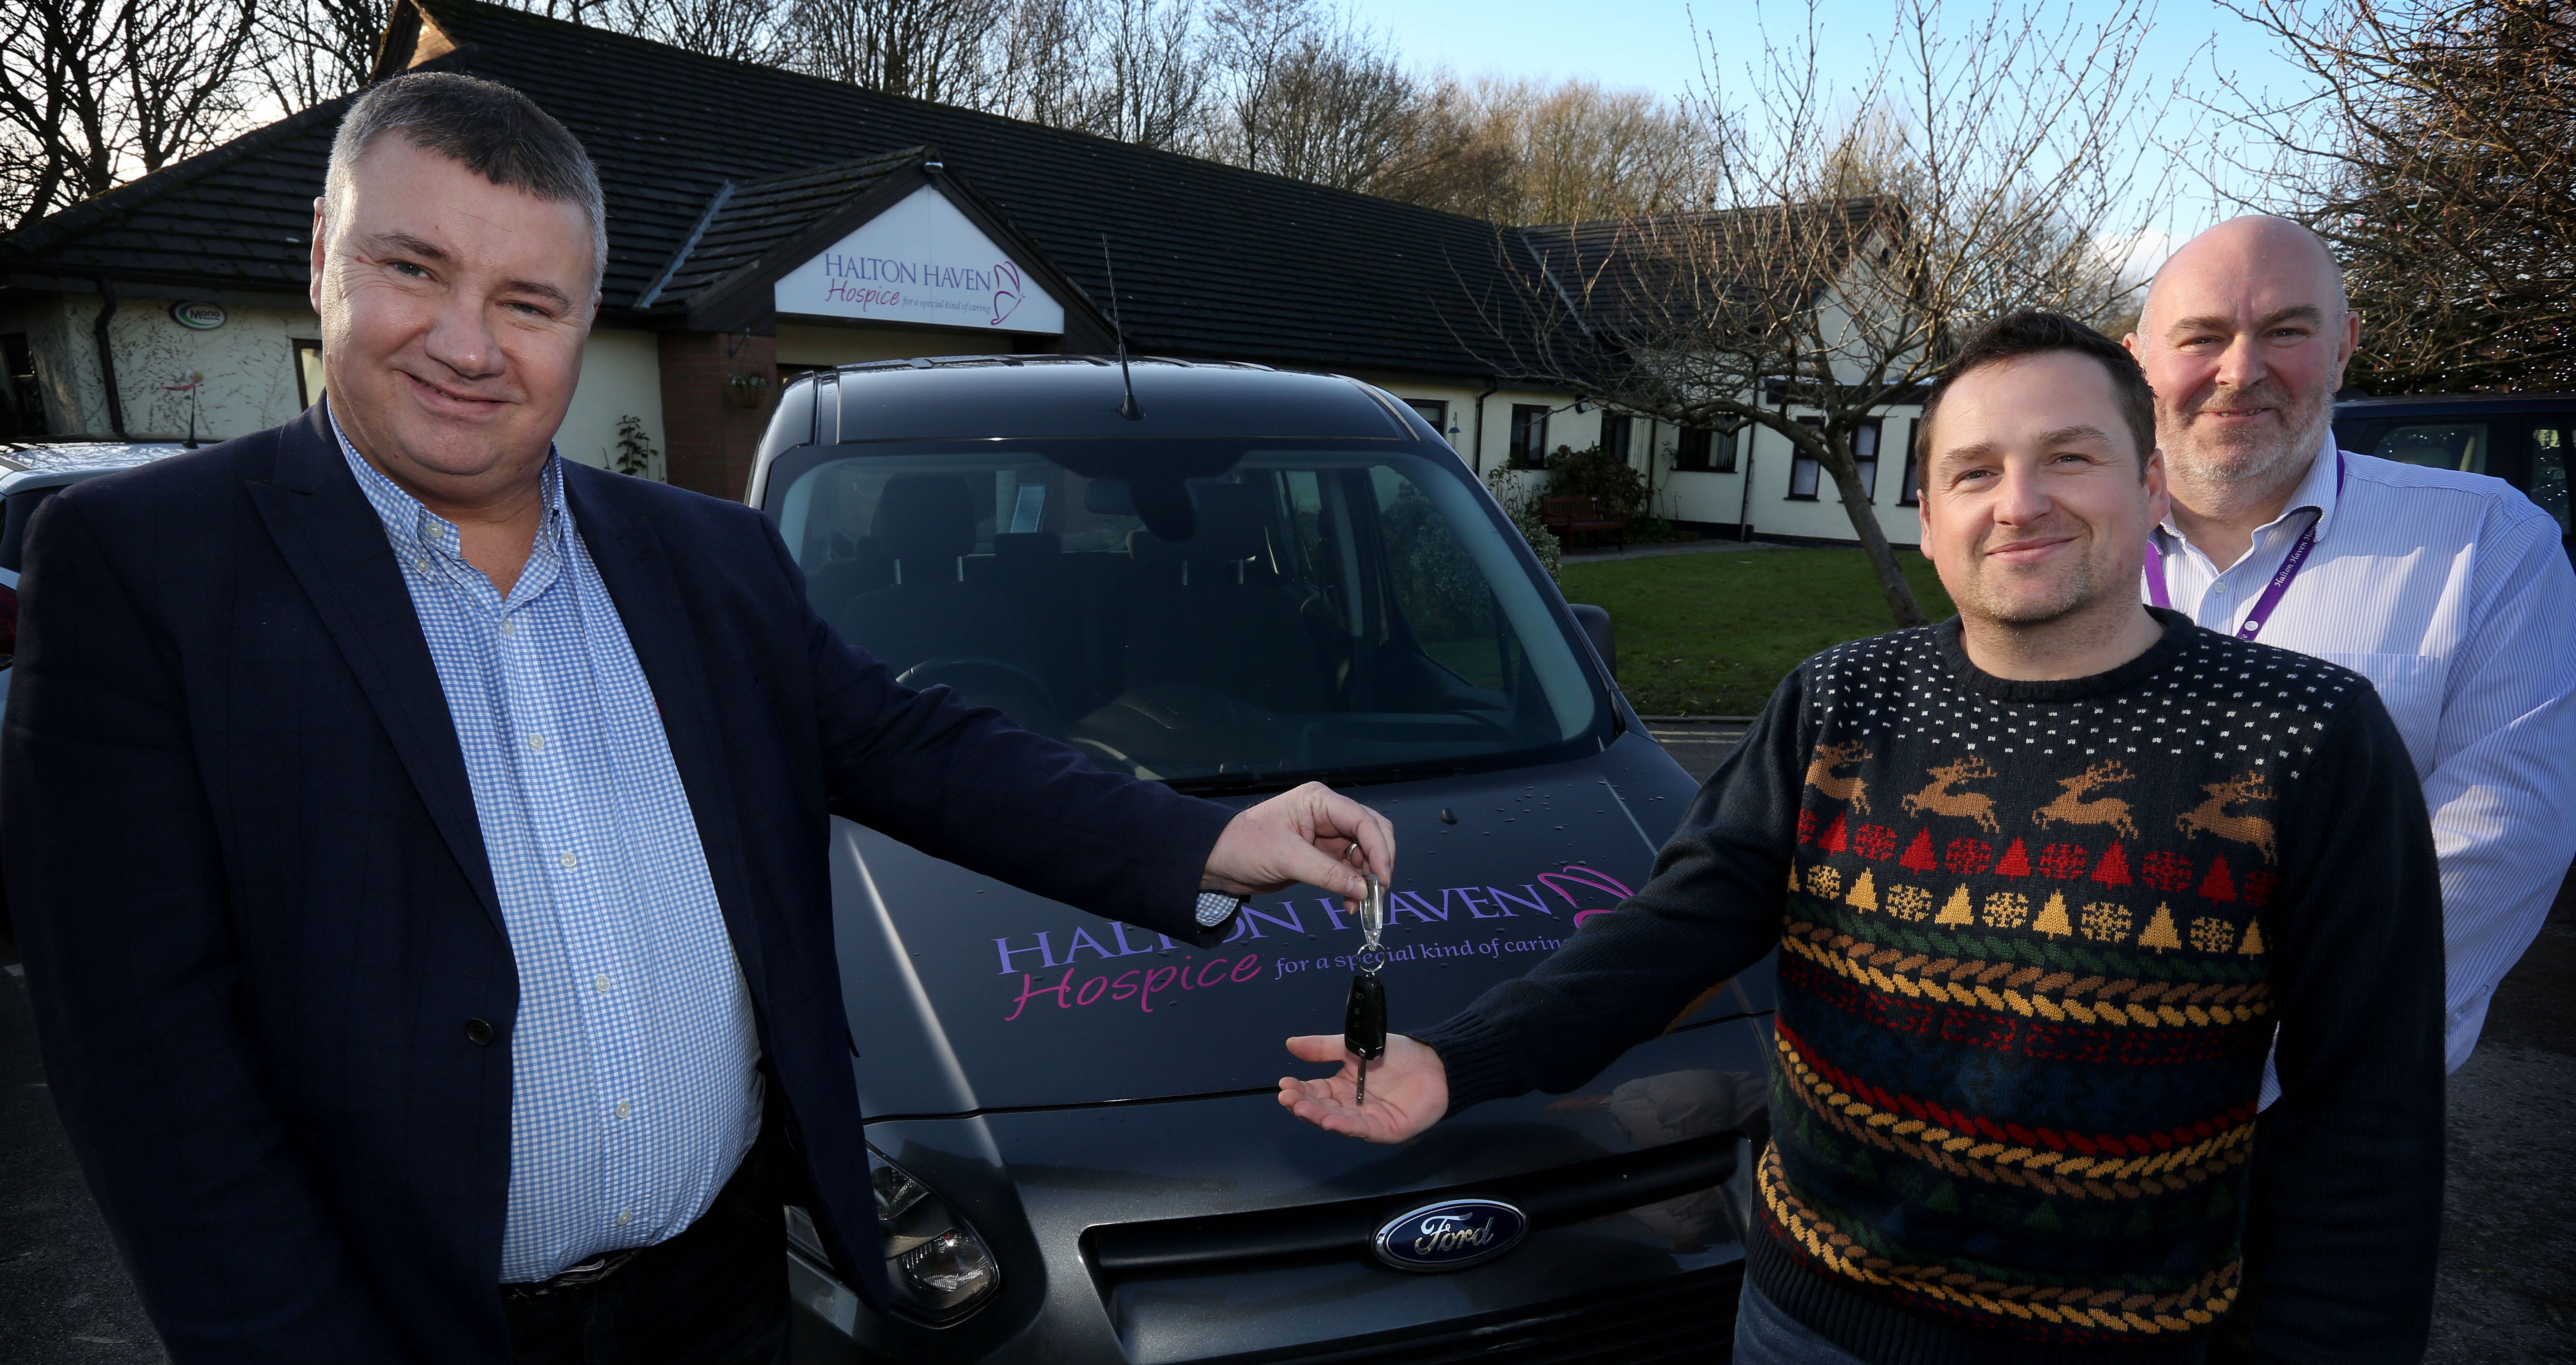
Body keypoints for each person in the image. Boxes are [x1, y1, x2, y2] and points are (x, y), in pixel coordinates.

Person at [3, 73, 1392, 1365]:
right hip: (400, 1320)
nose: (468, 344)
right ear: (324, 251)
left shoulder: (702, 559)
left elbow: (911, 745)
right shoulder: (146, 569)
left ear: (586, 316)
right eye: (413, 269)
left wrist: (1205, 841)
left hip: (723, 1297)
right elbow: (150, 1070)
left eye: (529, 302)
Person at [1281, 311, 2444, 1364]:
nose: (2019, 501)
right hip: (1810, 1327)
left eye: (2069, 457)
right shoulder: (1839, 704)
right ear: (1929, 519)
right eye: (1974, 471)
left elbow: (2368, 1127)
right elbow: (1674, 928)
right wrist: (1462, 1056)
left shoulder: (2306, 736)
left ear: (2150, 488)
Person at [2123, 215, 2576, 1080]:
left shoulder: (2487, 544)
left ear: (2343, 348)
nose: (2241, 369)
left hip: (2323, 1094)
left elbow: (2502, 842)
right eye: (2202, 337)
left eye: (2286, 331)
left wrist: (2245, 1062)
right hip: (2061, 1075)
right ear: (2141, 355)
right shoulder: (2073, 536)